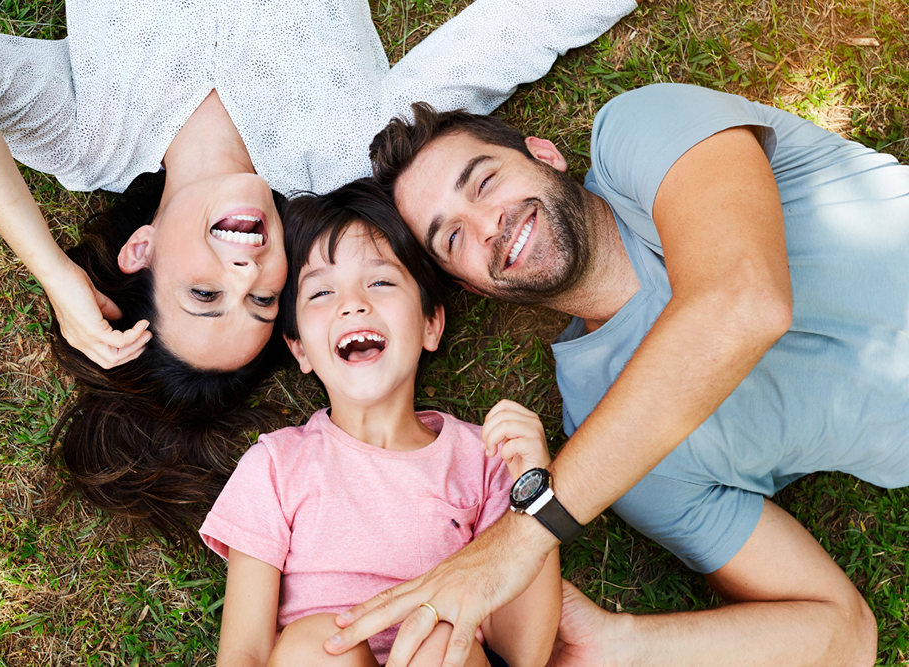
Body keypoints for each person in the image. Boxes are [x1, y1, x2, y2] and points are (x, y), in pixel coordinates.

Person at [0, 0, 640, 534]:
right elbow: (523, 26)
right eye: (261, 300)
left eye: (204, 292)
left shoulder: (85, 134)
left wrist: (50, 268)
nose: (247, 266)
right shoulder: (349, 148)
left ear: (143, 250)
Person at [324, 83, 909, 666]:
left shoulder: (641, 132)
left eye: (485, 182)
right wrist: (621, 644)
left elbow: (745, 299)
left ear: (545, 154)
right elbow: (843, 636)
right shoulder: (612, 458)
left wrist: (522, 537)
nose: (486, 225)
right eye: (452, 238)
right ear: (475, 286)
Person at [198, 179, 561, 667]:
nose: (353, 303)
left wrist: (535, 492)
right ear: (300, 347)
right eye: (322, 292)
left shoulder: (489, 458)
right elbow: (244, 652)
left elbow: (521, 653)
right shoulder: (277, 464)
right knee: (318, 645)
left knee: (438, 643)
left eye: (381, 281)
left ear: (431, 322)